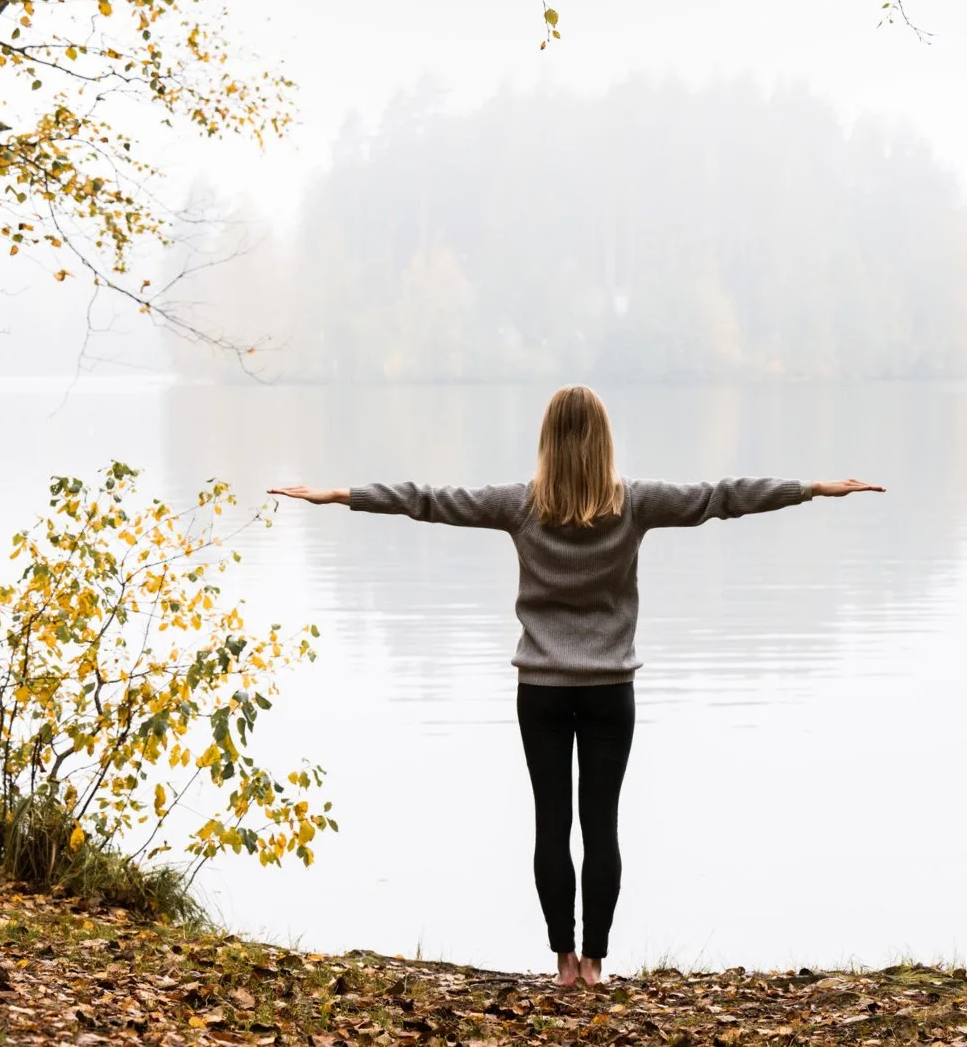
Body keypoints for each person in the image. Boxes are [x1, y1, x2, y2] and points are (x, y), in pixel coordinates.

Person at [268, 384, 884, 988]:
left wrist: (341, 494)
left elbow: (428, 500)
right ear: (604, 442)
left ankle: (562, 962)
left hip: (540, 689)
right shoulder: (634, 502)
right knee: (601, 825)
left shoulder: (519, 504)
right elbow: (722, 497)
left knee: (550, 824)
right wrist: (810, 489)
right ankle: (595, 963)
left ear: (546, 442)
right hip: (610, 689)